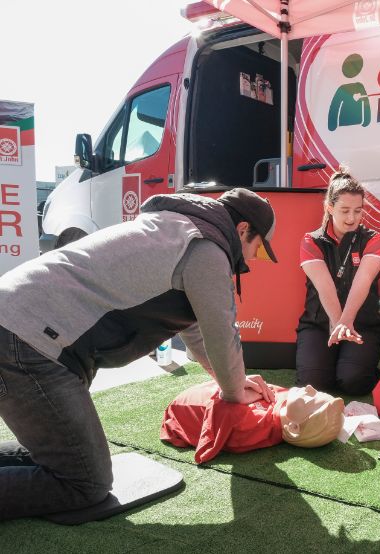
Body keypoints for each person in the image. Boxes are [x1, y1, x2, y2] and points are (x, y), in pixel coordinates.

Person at [0, 187, 278, 519]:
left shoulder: (174, 229)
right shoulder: (206, 248)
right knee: (86, 482)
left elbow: (197, 332)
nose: (251, 263)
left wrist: (233, 382)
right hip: (26, 342)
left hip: (18, 328)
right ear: (243, 230)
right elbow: (221, 332)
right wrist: (236, 394)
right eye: (258, 251)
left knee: (66, 456)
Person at [296, 167, 380, 395]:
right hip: (319, 323)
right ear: (329, 208)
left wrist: (346, 322)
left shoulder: (374, 239)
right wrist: (337, 324)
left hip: (362, 324)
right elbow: (324, 285)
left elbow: (363, 280)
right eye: (345, 210)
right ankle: (332, 358)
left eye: (358, 211)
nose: (351, 218)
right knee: (315, 384)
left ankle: (363, 366)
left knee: (353, 382)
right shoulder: (311, 240)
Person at [161, 381, 345, 463]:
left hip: (185, 410)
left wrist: (239, 392)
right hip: (206, 392)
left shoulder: (251, 425)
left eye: (309, 399)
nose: (309, 388)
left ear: (294, 428)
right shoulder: (285, 404)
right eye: (317, 392)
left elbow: (219, 413)